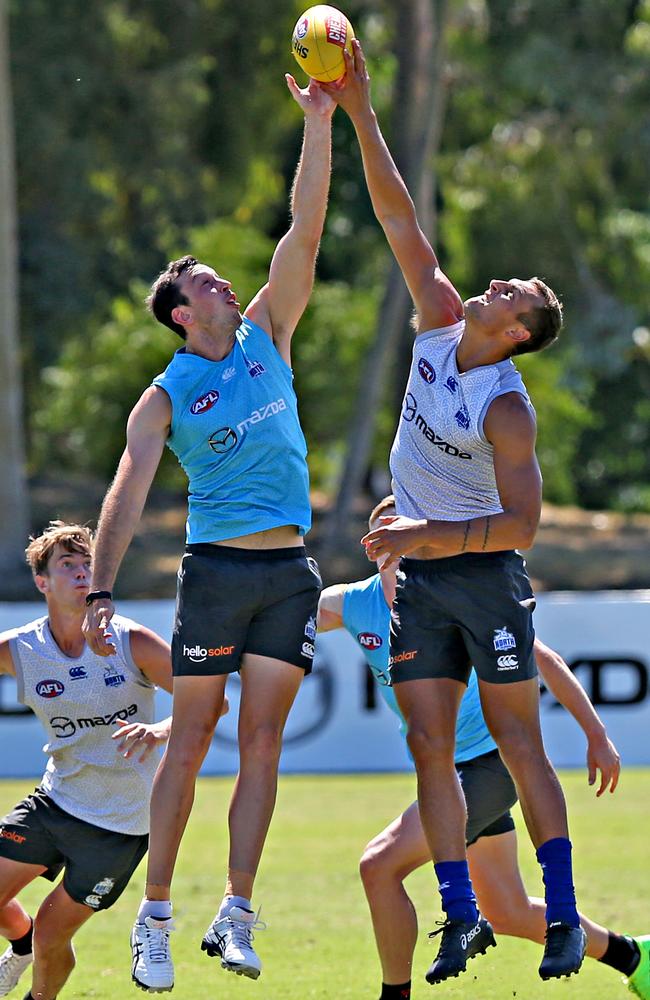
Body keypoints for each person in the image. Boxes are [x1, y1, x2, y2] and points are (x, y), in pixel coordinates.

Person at [323, 43, 588, 984]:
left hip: (480, 574)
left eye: (513, 294)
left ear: (515, 333)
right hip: (425, 577)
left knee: (518, 741)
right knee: (428, 744)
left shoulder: (507, 407)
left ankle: (560, 916)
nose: (499, 283)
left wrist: (423, 532)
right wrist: (357, 111)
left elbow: (524, 527)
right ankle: (460, 913)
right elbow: (397, 212)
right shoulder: (439, 321)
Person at [82, 74, 335, 993]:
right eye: (204, 282)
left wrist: (318, 125)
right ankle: (153, 919)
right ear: (183, 313)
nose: (224, 280)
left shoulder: (269, 331)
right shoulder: (166, 396)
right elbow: (129, 488)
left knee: (262, 743)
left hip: (291, 573)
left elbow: (303, 232)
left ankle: (237, 911)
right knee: (190, 741)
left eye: (220, 276)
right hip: (219, 574)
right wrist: (101, 588)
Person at [318, 495, 649, 1000]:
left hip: (488, 767)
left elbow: (546, 658)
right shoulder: (352, 604)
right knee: (508, 910)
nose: (405, 547)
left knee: (378, 865)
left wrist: (596, 734)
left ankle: (394, 995)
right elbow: (287, 618)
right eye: (391, 537)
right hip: (446, 775)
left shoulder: (454, 593)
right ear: (373, 547)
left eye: (413, 535)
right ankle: (634, 956)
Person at [0, 522, 176, 1000]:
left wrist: (160, 729)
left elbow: (210, 705)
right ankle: (19, 947)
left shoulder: (130, 641)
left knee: (53, 934)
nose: (81, 574)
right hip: (54, 802)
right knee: (23, 925)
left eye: (88, 566)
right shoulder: (21, 647)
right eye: (67, 565)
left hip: (120, 826)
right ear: (42, 582)